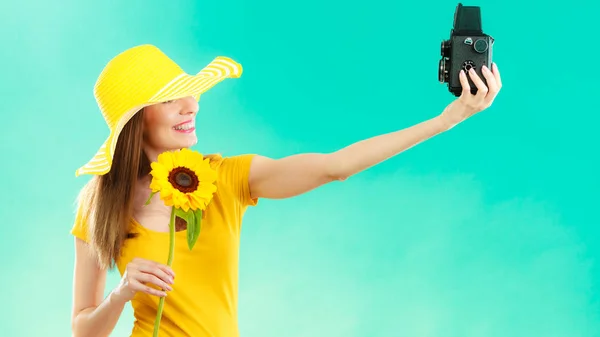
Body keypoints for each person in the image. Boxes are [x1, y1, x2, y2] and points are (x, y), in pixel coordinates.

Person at [70, 44, 502, 337]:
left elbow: (334, 168)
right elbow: (83, 328)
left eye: (190, 95)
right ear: (135, 122)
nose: (192, 106)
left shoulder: (226, 179)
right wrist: (121, 293)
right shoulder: (99, 208)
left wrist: (446, 120)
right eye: (170, 100)